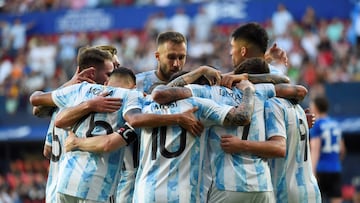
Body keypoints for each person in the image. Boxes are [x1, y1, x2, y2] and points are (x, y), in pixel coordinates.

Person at [265, 97, 321, 202]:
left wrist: (241, 145)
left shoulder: (273, 106)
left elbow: (278, 148)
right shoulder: (298, 109)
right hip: (310, 185)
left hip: (287, 189)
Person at [310, 95, 346, 203]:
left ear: (316, 108)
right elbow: (342, 149)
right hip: (335, 169)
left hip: (321, 169)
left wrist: (312, 173)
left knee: (316, 199)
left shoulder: (317, 125)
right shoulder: (335, 124)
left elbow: (315, 150)